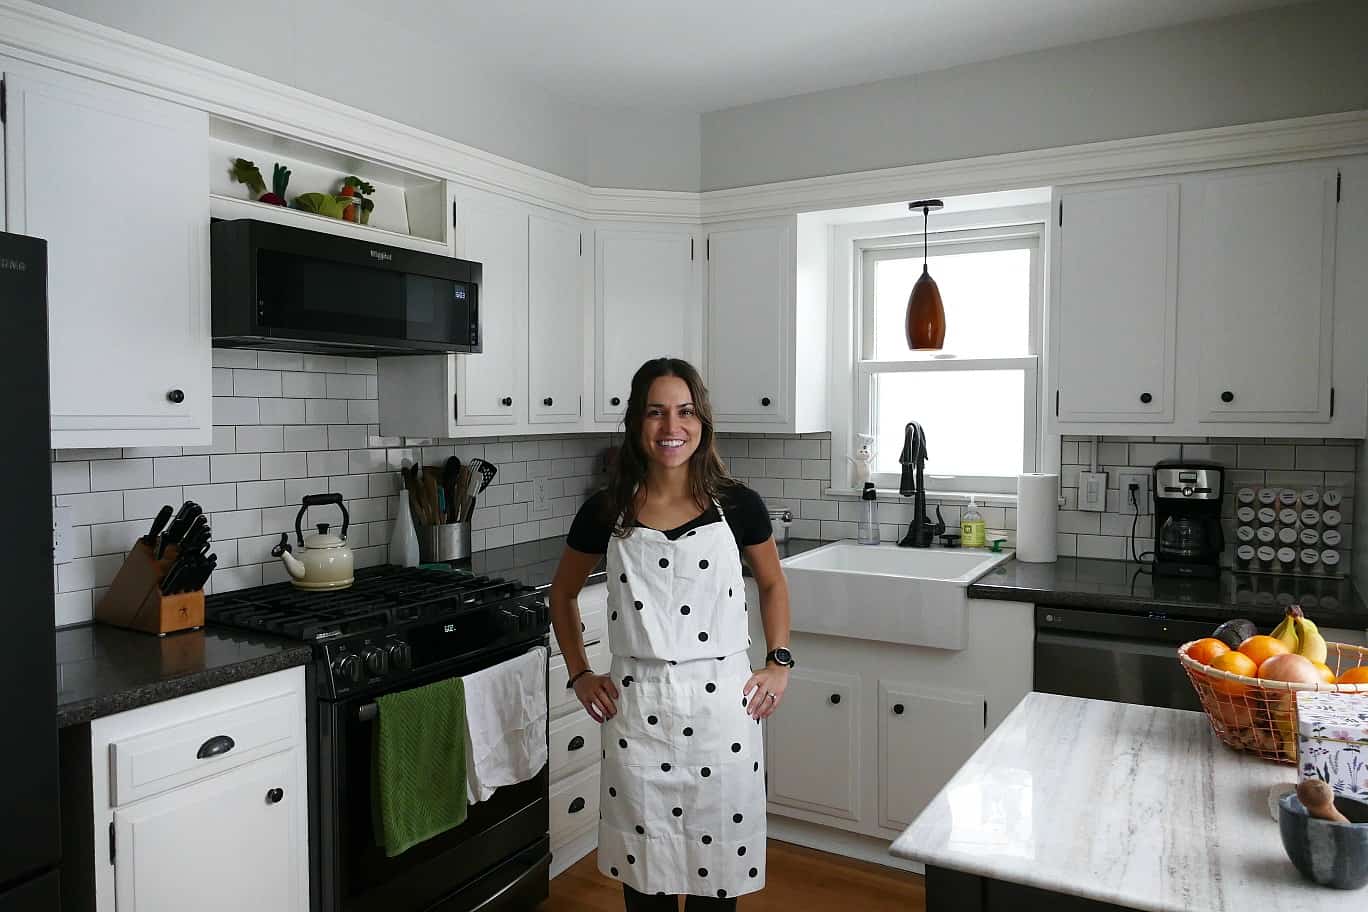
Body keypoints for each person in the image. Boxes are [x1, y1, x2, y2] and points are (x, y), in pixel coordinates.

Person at [548, 357, 793, 910]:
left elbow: (774, 584)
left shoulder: (737, 504)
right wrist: (581, 673)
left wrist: (778, 662)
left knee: (717, 884)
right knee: (647, 882)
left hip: (722, 715)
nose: (670, 427)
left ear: (702, 421)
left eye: (684, 412)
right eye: (656, 413)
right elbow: (561, 594)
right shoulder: (606, 509)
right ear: (637, 423)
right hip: (639, 714)